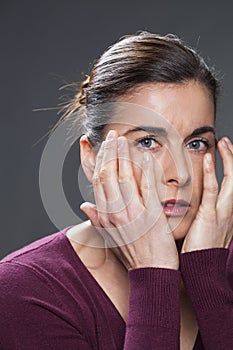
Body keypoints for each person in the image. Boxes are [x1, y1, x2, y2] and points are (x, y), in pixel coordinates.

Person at [0, 31, 232, 350]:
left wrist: (208, 280)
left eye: (196, 144)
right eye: (147, 142)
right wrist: (154, 274)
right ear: (92, 158)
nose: (179, 174)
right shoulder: (24, 292)